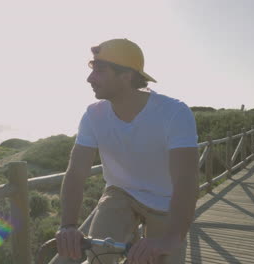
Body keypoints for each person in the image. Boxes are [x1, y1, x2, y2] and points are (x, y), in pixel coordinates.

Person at [55, 38, 199, 264]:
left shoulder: (174, 113)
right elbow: (76, 172)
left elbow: (186, 180)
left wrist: (171, 239)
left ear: (127, 75)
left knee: (164, 257)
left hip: (166, 199)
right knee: (98, 258)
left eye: (100, 71)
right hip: (120, 193)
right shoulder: (93, 115)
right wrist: (68, 226)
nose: (89, 78)